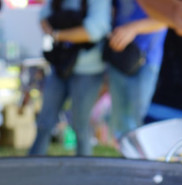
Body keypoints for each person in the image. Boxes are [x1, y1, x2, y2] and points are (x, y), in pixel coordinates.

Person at [28, 0, 112, 156]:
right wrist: (67, 33)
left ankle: (84, 171)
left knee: (81, 125)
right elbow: (43, 18)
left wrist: (58, 34)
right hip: (60, 66)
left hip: (89, 70)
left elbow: (93, 32)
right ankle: (33, 163)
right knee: (45, 120)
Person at [106, 0, 167, 141]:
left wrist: (133, 28)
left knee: (140, 119)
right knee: (120, 121)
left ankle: (140, 160)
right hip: (119, 58)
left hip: (147, 61)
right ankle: (125, 158)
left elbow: (169, 19)